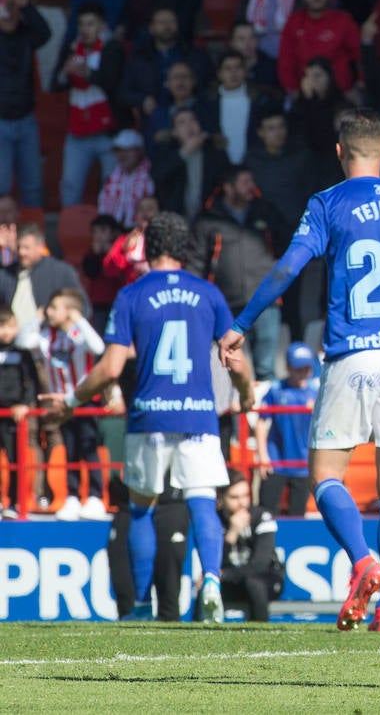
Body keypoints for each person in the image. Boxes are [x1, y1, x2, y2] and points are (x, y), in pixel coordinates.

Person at [219, 109, 380, 635]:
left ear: (340, 151)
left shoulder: (327, 203)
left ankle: (364, 560)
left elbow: (287, 268)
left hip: (356, 351)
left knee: (325, 475)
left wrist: (241, 323)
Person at [52, 212, 255, 622]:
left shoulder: (132, 294)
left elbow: (111, 368)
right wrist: (247, 395)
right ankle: (211, 582)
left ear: (148, 248)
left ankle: (142, 604)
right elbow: (236, 358)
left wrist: (72, 400)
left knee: (143, 507)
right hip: (199, 417)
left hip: (149, 416)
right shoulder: (209, 293)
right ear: (184, 249)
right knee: (202, 501)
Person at [190, 165, 290, 381]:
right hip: (227, 305)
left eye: (251, 182)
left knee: (266, 371)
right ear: (228, 187)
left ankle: (263, 416)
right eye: (245, 183)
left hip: (266, 303)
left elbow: (289, 247)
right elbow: (195, 264)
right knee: (228, 370)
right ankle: (235, 416)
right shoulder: (208, 219)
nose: (251, 188)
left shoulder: (266, 211)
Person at [20, 289, 110, 521]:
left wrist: (78, 318)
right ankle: (71, 495)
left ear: (69, 311)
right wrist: (37, 318)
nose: (49, 312)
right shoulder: (45, 336)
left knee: (88, 447)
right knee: (69, 448)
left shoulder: (79, 334)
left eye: (54, 308)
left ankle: (95, 496)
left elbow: (99, 347)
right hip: (60, 403)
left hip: (85, 400)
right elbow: (22, 340)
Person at [56, 2, 125, 206]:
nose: (85, 30)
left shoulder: (113, 48)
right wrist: (65, 72)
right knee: (70, 185)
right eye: (81, 25)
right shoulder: (71, 48)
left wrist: (87, 72)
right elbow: (54, 84)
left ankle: (110, 234)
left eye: (91, 24)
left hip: (107, 132)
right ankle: (67, 232)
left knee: (110, 186)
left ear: (102, 26)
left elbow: (112, 83)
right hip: (77, 132)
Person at [254, 342, 318, 516]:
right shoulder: (275, 390)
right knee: (266, 512)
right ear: (288, 367)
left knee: (297, 514)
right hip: (276, 460)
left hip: (303, 463)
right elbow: (261, 422)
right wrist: (263, 456)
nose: (303, 373)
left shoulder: (316, 392)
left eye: (307, 368)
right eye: (298, 368)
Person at [0, 0, 49, 206]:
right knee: (1, 185)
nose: (8, 12)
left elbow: (45, 33)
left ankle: (33, 238)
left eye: (11, 7)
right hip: (1, 123)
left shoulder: (26, 34)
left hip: (26, 120)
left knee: (32, 186)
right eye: (3, 6)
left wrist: (26, 5)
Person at [277, 0, 362, 96]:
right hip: (305, 93)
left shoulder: (343, 20)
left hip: (341, 93)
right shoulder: (293, 22)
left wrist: (360, 83)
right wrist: (291, 89)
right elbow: (286, 61)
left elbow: (360, 55)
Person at [218, 471, 282, 622]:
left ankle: (260, 634)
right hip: (232, 581)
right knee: (208, 586)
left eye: (245, 496)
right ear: (221, 498)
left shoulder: (262, 517)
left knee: (254, 583)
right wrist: (232, 534)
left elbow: (260, 565)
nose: (242, 503)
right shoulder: (216, 520)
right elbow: (215, 562)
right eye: (234, 497)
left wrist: (223, 575)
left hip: (267, 580)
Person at [0, 305, 42, 517]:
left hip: (13, 415)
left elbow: (32, 382)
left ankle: (14, 503)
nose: (7, 332)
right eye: (2, 327)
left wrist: (25, 404)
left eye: (11, 326)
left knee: (16, 459)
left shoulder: (22, 352)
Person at [5, 223, 85, 329]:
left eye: (26, 248)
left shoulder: (61, 271)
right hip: (9, 341)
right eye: (19, 247)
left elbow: (83, 307)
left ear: (40, 247)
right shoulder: (7, 273)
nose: (21, 252)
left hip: (48, 340)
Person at [97, 130, 156, 229]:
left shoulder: (152, 176)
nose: (122, 156)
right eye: (119, 151)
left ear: (139, 152)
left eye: (127, 150)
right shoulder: (111, 178)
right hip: (114, 232)